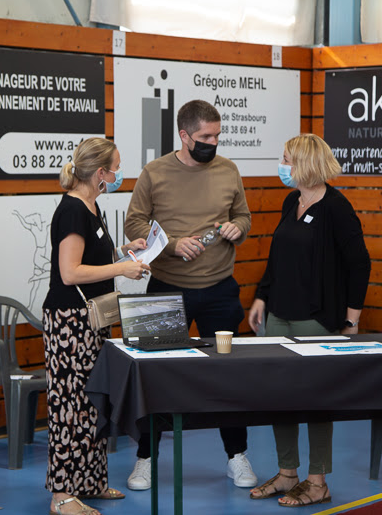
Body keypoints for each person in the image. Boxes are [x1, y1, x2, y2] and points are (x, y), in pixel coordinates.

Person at [124, 99, 256, 490]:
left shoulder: (229, 170)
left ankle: (237, 456)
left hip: (220, 289)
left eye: (216, 135)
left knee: (229, 378)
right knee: (153, 376)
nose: (212, 142)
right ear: (184, 135)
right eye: (204, 136)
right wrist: (172, 245)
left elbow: (244, 217)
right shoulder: (154, 172)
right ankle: (145, 459)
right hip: (165, 288)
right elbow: (134, 222)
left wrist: (238, 229)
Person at [247, 133, 371, 507]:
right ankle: (288, 475)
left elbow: (359, 264)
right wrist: (261, 297)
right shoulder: (291, 200)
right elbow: (278, 257)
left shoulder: (337, 207)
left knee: (316, 398)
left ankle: (317, 481)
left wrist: (351, 321)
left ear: (305, 163)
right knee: (279, 397)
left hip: (316, 319)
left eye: (286, 159)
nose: (282, 166)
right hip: (279, 316)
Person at [42, 137, 151, 515]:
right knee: (69, 407)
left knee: (92, 404)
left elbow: (92, 254)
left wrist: (124, 251)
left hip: (91, 321)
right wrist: (122, 269)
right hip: (69, 322)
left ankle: (89, 482)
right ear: (100, 172)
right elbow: (70, 272)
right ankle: (61, 495)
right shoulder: (72, 209)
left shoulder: (91, 205)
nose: (119, 174)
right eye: (116, 167)